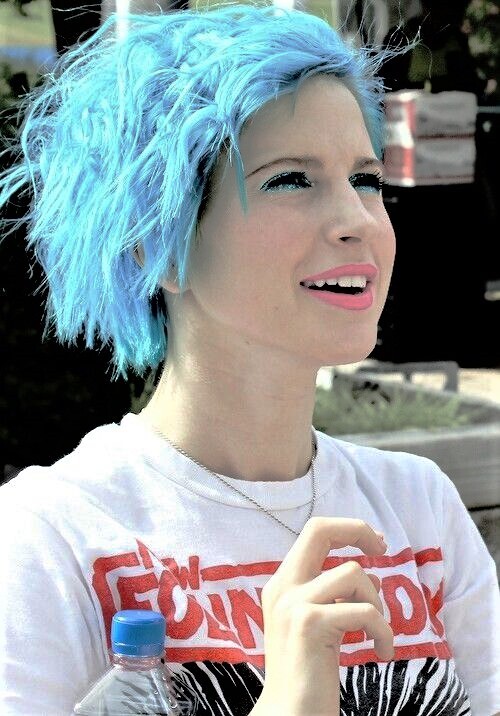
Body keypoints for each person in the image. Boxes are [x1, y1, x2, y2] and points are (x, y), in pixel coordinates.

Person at [0, 4, 498, 715]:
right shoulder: (50, 538)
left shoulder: (421, 509)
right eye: (291, 180)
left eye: (365, 179)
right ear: (156, 246)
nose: (358, 220)